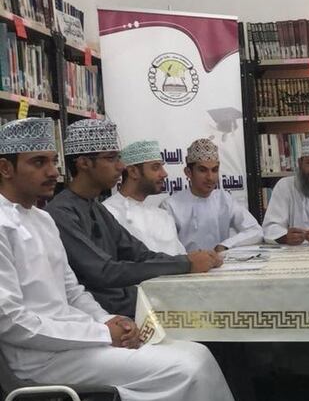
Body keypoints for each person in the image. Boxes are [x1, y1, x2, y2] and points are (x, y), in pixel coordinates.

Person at [0, 117, 251, 401]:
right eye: (38, 162)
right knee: (180, 369)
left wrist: (111, 321)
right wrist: (102, 333)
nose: (52, 172)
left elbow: (72, 291)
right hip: (38, 357)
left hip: (77, 339)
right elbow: (11, 322)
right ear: (6, 168)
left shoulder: (42, 219)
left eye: (53, 161)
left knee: (197, 354)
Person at [46, 119, 219, 318]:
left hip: (131, 303)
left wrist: (189, 260)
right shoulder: (61, 213)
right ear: (84, 163)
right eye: (111, 158)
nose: (121, 166)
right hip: (101, 316)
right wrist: (185, 264)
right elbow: (104, 271)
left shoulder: (96, 207)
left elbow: (140, 254)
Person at [165, 137, 262, 251]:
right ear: (188, 172)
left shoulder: (224, 199)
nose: (210, 177)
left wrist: (225, 245)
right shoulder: (170, 206)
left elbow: (255, 231)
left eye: (215, 170)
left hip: (221, 260)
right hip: (187, 262)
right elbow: (167, 249)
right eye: (202, 170)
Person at [104, 139, 186, 255]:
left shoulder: (163, 216)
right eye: (155, 168)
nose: (164, 174)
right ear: (133, 172)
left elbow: (181, 257)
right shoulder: (108, 213)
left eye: (162, 167)